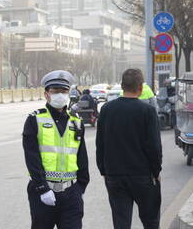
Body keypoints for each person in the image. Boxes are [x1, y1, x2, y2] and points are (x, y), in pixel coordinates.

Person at [22, 70, 89, 229]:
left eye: (64, 91)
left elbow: (81, 156)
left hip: (71, 192)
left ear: (68, 93)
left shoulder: (76, 121)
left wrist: (81, 186)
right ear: (46, 94)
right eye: (55, 91)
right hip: (44, 192)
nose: (60, 95)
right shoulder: (35, 119)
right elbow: (32, 157)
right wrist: (42, 188)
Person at [96, 69, 162, 229]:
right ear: (140, 87)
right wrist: (156, 172)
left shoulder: (106, 109)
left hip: (114, 176)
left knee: (121, 223)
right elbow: (154, 146)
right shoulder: (147, 111)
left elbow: (100, 144)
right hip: (143, 176)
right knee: (151, 221)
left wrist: (104, 171)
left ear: (122, 86)